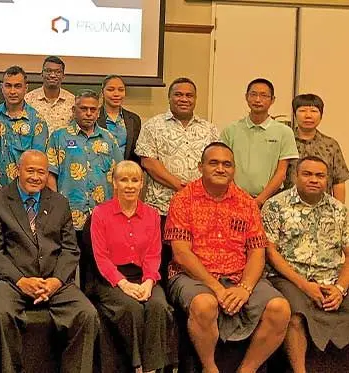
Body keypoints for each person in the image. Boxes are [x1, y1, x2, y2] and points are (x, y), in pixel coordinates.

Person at [165, 142, 291, 373]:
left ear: (234, 169)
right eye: (213, 163)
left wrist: (245, 287)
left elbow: (257, 252)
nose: (221, 169)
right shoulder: (183, 199)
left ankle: (247, 369)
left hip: (238, 275)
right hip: (192, 276)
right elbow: (181, 254)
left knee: (280, 308)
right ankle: (210, 368)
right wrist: (216, 288)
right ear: (200, 166)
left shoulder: (246, 203)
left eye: (227, 164)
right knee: (205, 304)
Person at [0, 149, 99, 373]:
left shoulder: (59, 202)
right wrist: (21, 280)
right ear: (18, 170)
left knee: (87, 313)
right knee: (0, 313)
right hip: (11, 280)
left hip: (53, 280)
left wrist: (56, 281)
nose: (36, 177)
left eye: (41, 172)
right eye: (30, 171)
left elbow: (70, 250)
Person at [262, 156, 349, 373]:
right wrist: (304, 285)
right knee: (295, 315)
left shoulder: (340, 210)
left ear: (327, 180)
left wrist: (340, 288)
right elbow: (270, 253)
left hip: (330, 278)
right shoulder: (275, 206)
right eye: (307, 174)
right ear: (295, 176)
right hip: (288, 277)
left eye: (320, 175)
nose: (314, 180)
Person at [89, 160, 175, 373]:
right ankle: (136, 366)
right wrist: (124, 284)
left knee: (158, 306)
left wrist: (148, 282)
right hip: (109, 278)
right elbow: (101, 257)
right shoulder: (100, 214)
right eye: (123, 180)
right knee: (132, 308)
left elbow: (154, 254)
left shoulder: (152, 215)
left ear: (141, 184)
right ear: (114, 183)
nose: (129, 185)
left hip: (144, 276)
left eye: (134, 180)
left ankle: (151, 369)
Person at [134, 77, 218, 281]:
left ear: (195, 99)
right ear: (169, 97)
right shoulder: (153, 126)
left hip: (200, 208)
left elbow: (217, 162)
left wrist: (194, 192)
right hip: (163, 206)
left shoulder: (209, 129)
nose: (184, 99)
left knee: (194, 259)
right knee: (161, 260)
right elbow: (148, 162)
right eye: (178, 94)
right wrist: (180, 186)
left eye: (189, 95)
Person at [46, 89, 123, 234]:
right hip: (69, 214)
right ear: (74, 110)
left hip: (103, 214)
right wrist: (55, 207)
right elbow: (50, 174)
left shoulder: (109, 139)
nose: (88, 113)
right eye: (83, 109)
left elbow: (119, 176)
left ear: (98, 112)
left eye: (93, 109)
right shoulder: (59, 137)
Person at [220, 78, 299, 206]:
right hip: (233, 200)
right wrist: (239, 197)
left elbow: (281, 173)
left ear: (272, 100)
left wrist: (260, 200)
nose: (258, 100)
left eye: (264, 96)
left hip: (271, 201)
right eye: (253, 94)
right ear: (246, 97)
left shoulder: (284, 132)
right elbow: (224, 167)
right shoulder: (231, 130)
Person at [0, 65, 48, 191]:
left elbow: (37, 164)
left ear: (26, 88)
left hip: (24, 193)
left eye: (17, 86)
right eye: (8, 86)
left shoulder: (37, 121)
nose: (13, 91)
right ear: (2, 87)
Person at [285, 94, 348, 202]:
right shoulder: (285, 141)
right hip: (289, 207)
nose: (308, 116)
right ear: (295, 115)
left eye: (314, 111)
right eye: (303, 110)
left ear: (321, 116)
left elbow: (338, 181)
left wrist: (339, 211)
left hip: (322, 208)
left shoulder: (330, 144)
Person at [97, 75, 142, 163]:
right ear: (102, 93)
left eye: (121, 90)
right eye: (111, 90)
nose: (116, 94)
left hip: (126, 172)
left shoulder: (134, 119)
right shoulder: (93, 117)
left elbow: (136, 152)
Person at [25, 56, 75, 135]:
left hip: (63, 146)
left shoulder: (72, 101)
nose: (52, 75)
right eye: (48, 71)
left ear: (63, 76)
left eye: (58, 72)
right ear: (41, 74)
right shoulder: (28, 99)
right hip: (35, 147)